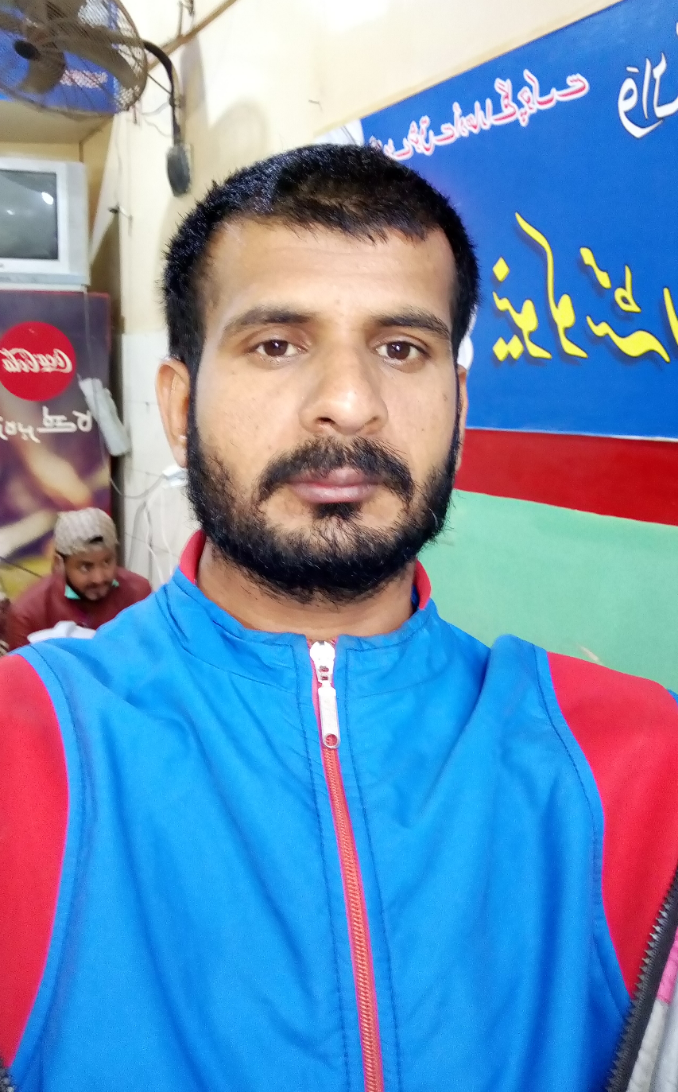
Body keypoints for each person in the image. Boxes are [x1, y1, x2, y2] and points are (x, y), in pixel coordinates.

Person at [1, 144, 677, 1092]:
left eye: (402, 349)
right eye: (277, 344)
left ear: (459, 405)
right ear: (180, 406)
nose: (350, 405)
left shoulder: (636, 763)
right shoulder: (29, 749)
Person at [4, 507, 151, 651]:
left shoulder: (138, 593)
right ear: (59, 563)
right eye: (85, 567)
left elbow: (152, 655)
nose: (99, 578)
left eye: (107, 562)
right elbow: (22, 667)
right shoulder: (28, 614)